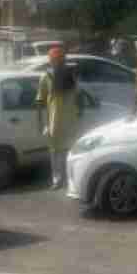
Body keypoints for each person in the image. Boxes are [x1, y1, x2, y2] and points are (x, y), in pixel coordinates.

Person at [35, 44, 84, 190]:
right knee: (58, 151)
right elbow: (40, 100)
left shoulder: (71, 75)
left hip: (66, 120)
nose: (58, 61)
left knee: (65, 151)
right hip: (58, 120)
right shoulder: (47, 77)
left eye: (59, 59)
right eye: (57, 59)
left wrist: (80, 111)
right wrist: (42, 123)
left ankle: (66, 179)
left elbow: (78, 95)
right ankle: (59, 180)